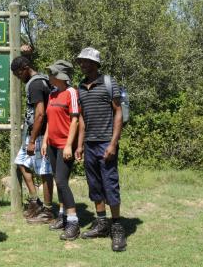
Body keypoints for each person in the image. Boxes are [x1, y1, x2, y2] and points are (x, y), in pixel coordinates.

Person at [75, 47, 127, 252]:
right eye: (81, 61)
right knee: (95, 185)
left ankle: (116, 226)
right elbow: (82, 119)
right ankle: (101, 223)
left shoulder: (108, 82)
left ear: (96, 64)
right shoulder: (80, 86)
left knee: (110, 185)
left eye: (87, 61)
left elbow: (118, 113)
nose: (83, 64)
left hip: (106, 143)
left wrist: (113, 143)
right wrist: (79, 144)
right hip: (89, 144)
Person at [10, 56, 54, 223]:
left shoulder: (35, 84)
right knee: (21, 162)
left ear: (26, 68)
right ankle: (35, 201)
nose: (18, 78)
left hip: (40, 134)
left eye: (18, 74)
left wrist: (32, 140)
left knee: (45, 171)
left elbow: (41, 114)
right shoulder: (40, 80)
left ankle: (48, 212)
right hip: (32, 132)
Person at [41, 60, 81, 240]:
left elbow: (75, 120)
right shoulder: (52, 94)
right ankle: (62, 216)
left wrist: (68, 145)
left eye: (52, 74)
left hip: (65, 145)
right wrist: (45, 141)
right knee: (58, 181)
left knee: (62, 181)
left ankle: (73, 222)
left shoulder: (71, 92)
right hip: (51, 144)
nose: (49, 77)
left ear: (60, 77)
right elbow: (50, 120)